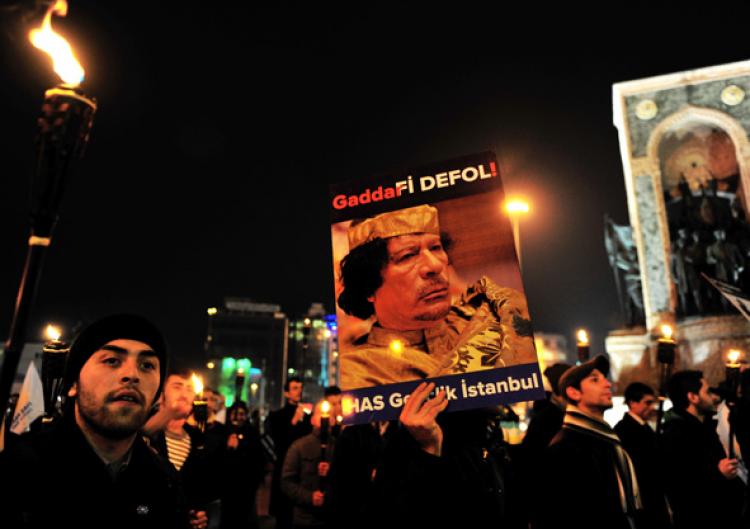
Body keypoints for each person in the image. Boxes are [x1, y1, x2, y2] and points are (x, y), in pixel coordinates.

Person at [0, 314, 192, 529]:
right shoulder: (20, 471)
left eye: (147, 365)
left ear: (157, 395)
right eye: (112, 361)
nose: (132, 375)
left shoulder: (164, 482)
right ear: (73, 383)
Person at [337, 204, 536, 389]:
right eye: (408, 256)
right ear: (368, 287)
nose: (435, 265)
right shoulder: (357, 373)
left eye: (435, 248)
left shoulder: (495, 314)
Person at [533, 355, 642, 529]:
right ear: (574, 392)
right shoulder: (564, 449)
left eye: (605, 378)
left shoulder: (607, 441)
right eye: (595, 380)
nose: (607, 384)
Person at [660, 370, 745, 529]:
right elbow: (682, 485)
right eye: (706, 392)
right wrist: (718, 474)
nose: (712, 397)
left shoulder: (704, 425)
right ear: (692, 397)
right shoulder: (676, 434)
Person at [143, 370, 222, 529]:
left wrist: (198, 514)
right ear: (162, 391)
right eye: (177, 386)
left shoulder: (198, 438)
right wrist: (168, 412)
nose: (184, 393)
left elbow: (203, 488)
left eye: (189, 388)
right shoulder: (150, 432)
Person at [614, 382, 670, 529]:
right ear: (632, 403)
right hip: (643, 497)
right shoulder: (624, 429)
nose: (651, 407)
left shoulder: (643, 426)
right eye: (647, 402)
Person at [281, 401, 337, 528]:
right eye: (320, 414)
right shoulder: (299, 447)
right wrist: (309, 497)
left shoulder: (339, 447)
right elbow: (286, 482)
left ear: (334, 421)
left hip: (331, 517)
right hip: (305, 519)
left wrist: (332, 472)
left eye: (330, 415)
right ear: (312, 420)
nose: (325, 417)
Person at [266, 377, 312, 529]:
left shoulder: (308, 417)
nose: (299, 391)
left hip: (303, 473)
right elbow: (281, 443)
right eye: (294, 388)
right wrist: (294, 421)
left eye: (300, 387)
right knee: (283, 517)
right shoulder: (277, 416)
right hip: (284, 469)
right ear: (286, 393)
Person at [220, 401, 266, 529]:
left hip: (246, 487)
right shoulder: (223, 432)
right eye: (235, 414)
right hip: (227, 487)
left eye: (242, 414)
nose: (238, 417)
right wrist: (228, 447)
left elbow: (257, 458)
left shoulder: (252, 433)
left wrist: (241, 446)